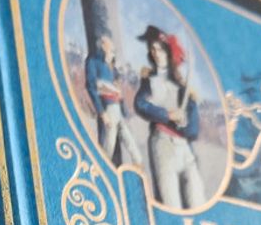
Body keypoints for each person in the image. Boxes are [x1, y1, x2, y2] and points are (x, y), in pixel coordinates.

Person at [134, 25, 205, 209]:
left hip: (185, 149)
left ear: (168, 52)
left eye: (160, 49)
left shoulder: (183, 87)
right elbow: (140, 105)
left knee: (197, 200)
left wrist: (184, 123)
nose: (156, 53)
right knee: (171, 203)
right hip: (163, 145)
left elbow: (193, 129)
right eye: (153, 49)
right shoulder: (149, 80)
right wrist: (167, 115)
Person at [85, 33, 143, 167]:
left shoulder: (112, 65)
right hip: (108, 107)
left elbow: (117, 85)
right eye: (108, 44)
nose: (112, 46)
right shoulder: (93, 61)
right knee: (109, 143)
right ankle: (103, 167)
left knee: (128, 138)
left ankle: (139, 165)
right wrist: (102, 112)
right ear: (103, 45)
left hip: (117, 106)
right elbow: (91, 87)